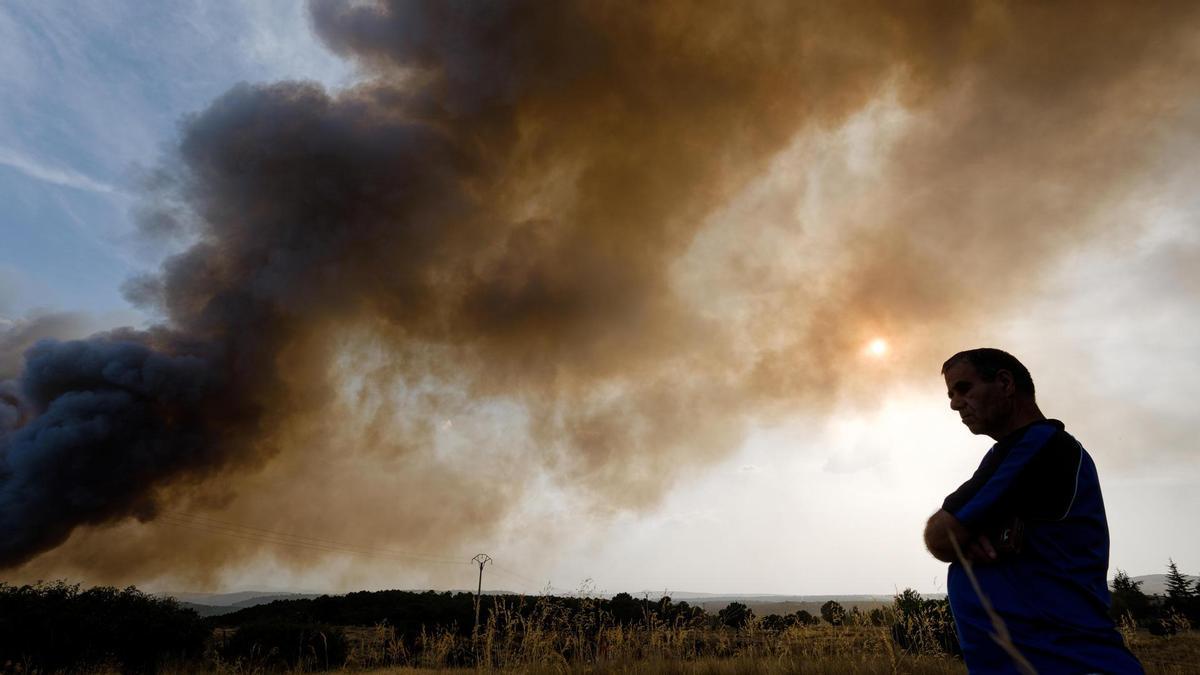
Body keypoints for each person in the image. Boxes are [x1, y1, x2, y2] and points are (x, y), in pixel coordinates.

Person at [924, 348, 1143, 674]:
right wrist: (969, 537)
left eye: (964, 389)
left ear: (1005, 383)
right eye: (951, 395)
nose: (955, 404)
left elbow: (941, 536)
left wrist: (961, 538)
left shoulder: (1037, 446)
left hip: (1066, 662)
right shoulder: (1026, 450)